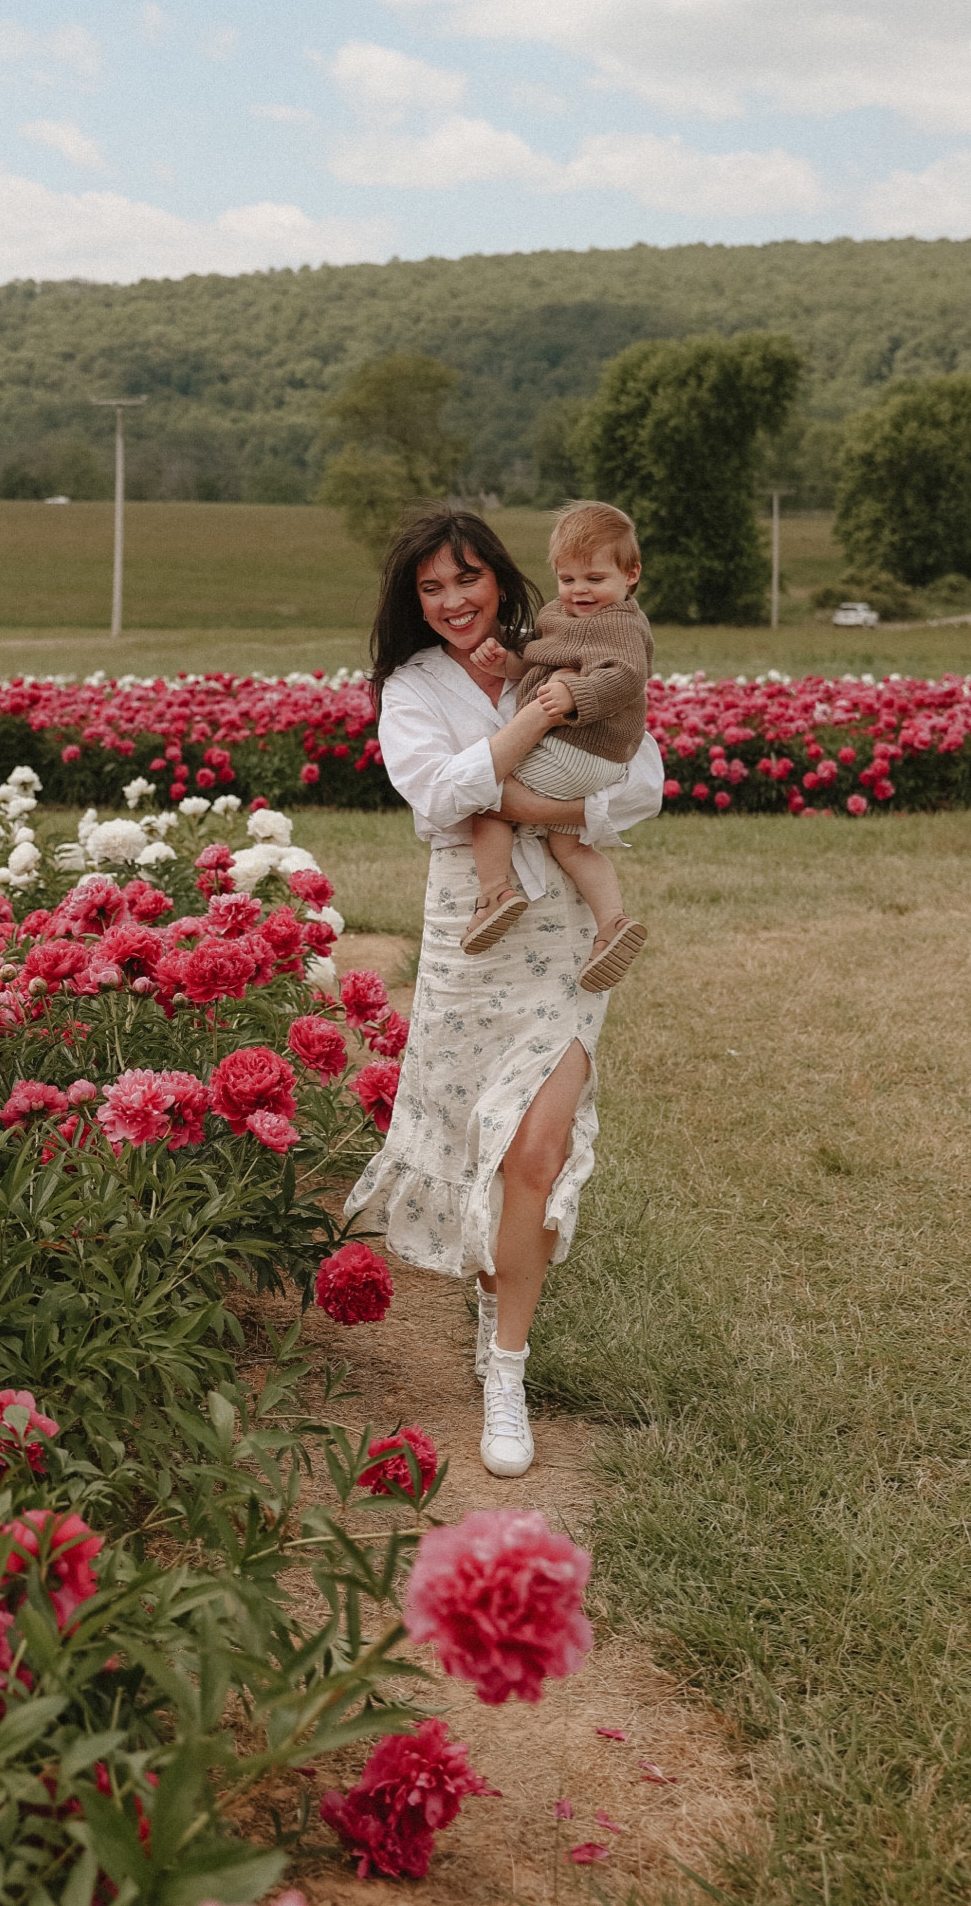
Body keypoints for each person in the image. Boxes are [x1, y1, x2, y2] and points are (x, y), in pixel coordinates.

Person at [343, 504, 662, 1479]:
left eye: (467, 579)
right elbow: (434, 795)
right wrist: (534, 720)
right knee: (488, 1154)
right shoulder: (414, 686)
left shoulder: (559, 644)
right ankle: (493, 1299)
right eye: (431, 587)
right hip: (472, 937)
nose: (452, 601)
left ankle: (507, 1369)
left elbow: (641, 782)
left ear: (499, 576)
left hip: (563, 934)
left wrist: (525, 793)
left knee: (535, 1147)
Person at [460, 500, 652, 993]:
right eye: (568, 579)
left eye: (594, 578)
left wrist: (575, 695)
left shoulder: (620, 624)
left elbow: (626, 677)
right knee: (570, 843)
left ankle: (494, 894)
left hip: (579, 745)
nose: (580, 592)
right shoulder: (561, 615)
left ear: (631, 575)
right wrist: (508, 663)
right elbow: (542, 660)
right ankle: (612, 924)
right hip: (600, 759)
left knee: (486, 795)